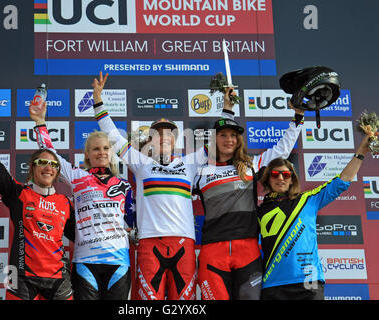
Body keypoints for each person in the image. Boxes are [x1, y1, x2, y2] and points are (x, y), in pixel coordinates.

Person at [91, 72, 234, 300]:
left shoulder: (189, 163)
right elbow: (114, 137)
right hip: (149, 242)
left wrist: (227, 106)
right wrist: (98, 101)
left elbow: (219, 139)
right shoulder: (141, 162)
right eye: (158, 133)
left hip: (183, 242)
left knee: (184, 302)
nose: (164, 136)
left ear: (175, 140)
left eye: (169, 133)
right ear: (151, 140)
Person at [194, 89, 305, 300]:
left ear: (239, 140)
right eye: (223, 135)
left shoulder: (250, 165)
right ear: (213, 140)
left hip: (248, 249)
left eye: (234, 136)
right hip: (212, 250)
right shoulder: (199, 170)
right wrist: (227, 108)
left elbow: (283, 149)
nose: (229, 139)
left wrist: (298, 118)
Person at [0, 103, 76, 300]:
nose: (48, 167)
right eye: (42, 162)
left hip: (58, 277)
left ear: (57, 172)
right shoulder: (18, 193)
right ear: (32, 168)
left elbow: (82, 235)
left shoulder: (65, 202)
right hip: (19, 275)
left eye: (53, 164)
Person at [31, 104, 135, 300]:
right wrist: (40, 123)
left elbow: (132, 223)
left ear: (112, 153)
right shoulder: (78, 177)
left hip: (119, 262)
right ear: (87, 154)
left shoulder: (125, 185)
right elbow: (51, 155)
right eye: (95, 149)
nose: (101, 152)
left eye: (106, 148)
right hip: (85, 261)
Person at [257, 132, 372, 300]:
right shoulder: (259, 211)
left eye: (286, 175)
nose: (281, 178)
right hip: (273, 285)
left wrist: (361, 151)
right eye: (275, 174)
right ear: (268, 179)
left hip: (308, 283)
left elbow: (342, 181)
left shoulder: (308, 200)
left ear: (292, 179)